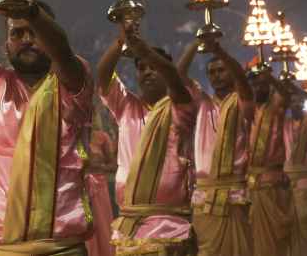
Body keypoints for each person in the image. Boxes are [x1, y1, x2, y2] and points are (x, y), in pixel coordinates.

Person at [0, 0, 93, 256]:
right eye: (17, 33)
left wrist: (29, 11)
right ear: (6, 45)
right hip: (4, 250)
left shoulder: (72, 81)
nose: (26, 39)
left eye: (34, 32)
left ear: (51, 34)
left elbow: (63, 53)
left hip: (63, 248)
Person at [97, 26, 197, 256]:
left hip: (169, 225)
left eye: (154, 67)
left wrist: (146, 52)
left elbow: (176, 79)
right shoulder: (126, 106)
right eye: (141, 68)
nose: (147, 72)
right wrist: (119, 43)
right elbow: (103, 77)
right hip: (129, 225)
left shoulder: (181, 107)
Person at [177, 40, 254, 256]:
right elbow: (178, 76)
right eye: (211, 72)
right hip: (204, 196)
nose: (216, 75)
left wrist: (220, 50)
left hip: (234, 195)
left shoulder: (242, 100)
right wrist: (195, 44)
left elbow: (242, 79)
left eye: (221, 70)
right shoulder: (201, 101)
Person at [244, 60, 293, 256]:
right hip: (250, 184)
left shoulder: (276, 104)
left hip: (272, 184)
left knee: (276, 238)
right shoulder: (249, 108)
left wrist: (270, 77)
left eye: (260, 84)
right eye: (253, 84)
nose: (257, 88)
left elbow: (287, 95)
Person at [284, 86, 307, 256]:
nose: (296, 105)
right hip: (286, 184)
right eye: (292, 102)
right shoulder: (284, 124)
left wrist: (294, 86)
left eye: (299, 102)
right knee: (290, 230)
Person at [84, 111, 115, 256]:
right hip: (81, 187)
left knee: (102, 224)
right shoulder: (74, 136)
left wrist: (100, 167)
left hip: (100, 186)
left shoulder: (102, 137)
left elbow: (114, 165)